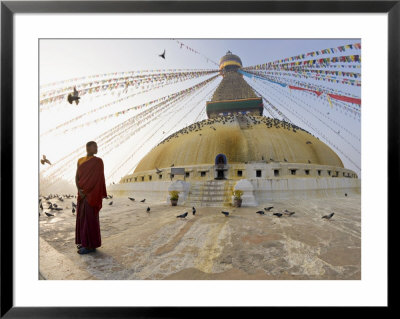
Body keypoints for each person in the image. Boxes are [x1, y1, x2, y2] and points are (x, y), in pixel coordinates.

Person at [75, 141, 107, 254]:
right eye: (95, 146)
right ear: (88, 147)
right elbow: (77, 177)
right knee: (82, 219)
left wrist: (89, 192)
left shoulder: (98, 161)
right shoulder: (80, 160)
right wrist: (80, 191)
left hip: (92, 196)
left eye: (97, 146)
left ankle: (90, 246)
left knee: (91, 220)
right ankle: (84, 242)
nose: (97, 148)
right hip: (82, 195)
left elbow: (99, 179)